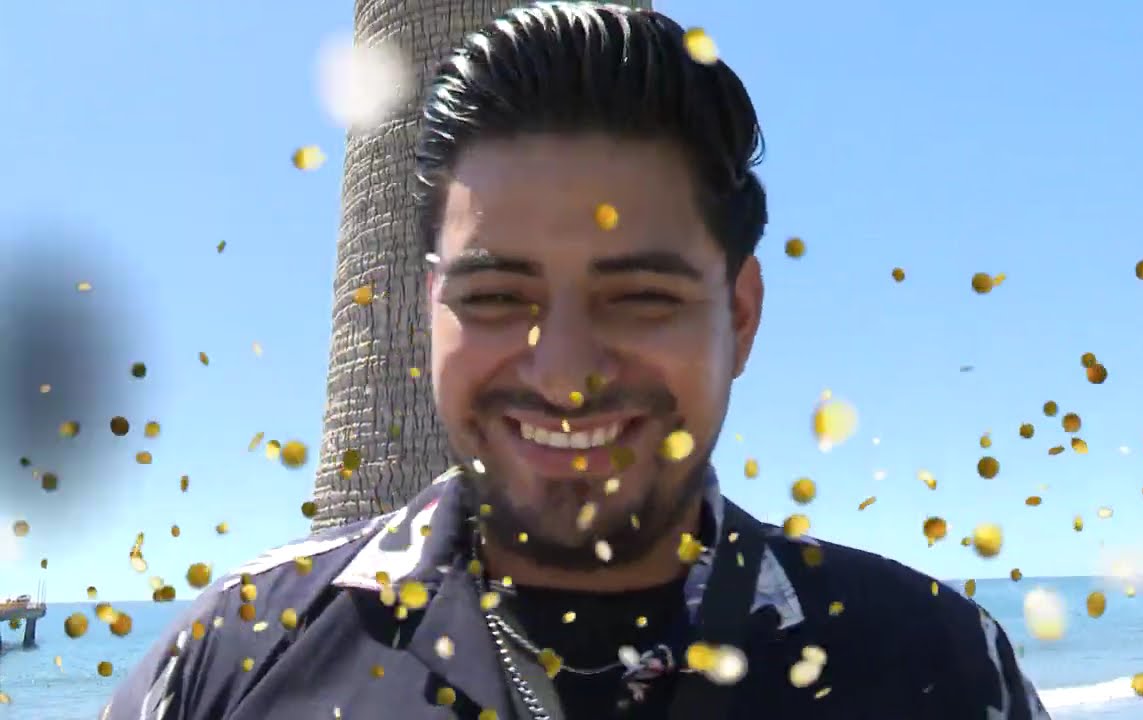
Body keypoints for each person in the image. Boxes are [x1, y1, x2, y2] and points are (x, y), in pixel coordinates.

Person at [105, 3, 1050, 719]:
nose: (562, 373)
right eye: (494, 297)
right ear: (431, 308)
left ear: (742, 312)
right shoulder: (229, 662)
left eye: (640, 297)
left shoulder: (939, 666)